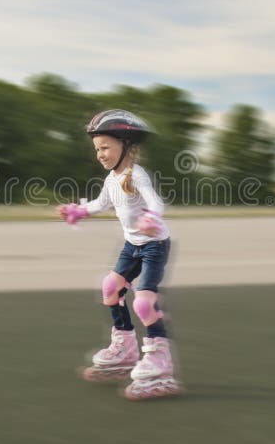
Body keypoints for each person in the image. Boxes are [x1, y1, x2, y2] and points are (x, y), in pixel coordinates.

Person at [57, 109, 181, 400]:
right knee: (110, 288)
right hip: (132, 245)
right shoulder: (112, 179)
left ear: (126, 145)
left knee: (144, 303)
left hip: (154, 245)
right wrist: (78, 211)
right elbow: (100, 204)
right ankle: (125, 347)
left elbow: (156, 202)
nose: (100, 154)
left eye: (105, 147)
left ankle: (160, 360)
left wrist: (151, 218)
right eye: (97, 149)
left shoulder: (136, 175)